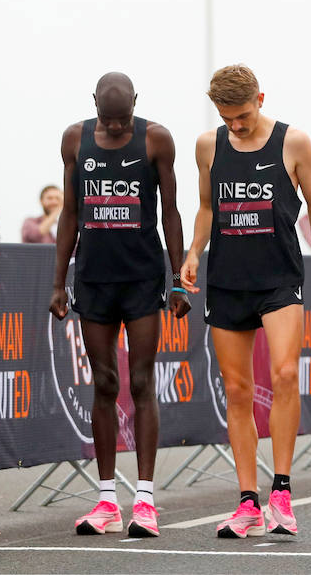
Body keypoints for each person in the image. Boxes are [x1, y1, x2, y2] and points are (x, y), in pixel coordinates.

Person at [179, 64, 311, 539]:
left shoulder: (293, 142)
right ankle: (248, 501)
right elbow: (206, 206)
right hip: (227, 280)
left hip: (280, 278)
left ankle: (281, 493)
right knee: (238, 391)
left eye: (242, 116)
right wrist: (192, 252)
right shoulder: (208, 145)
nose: (236, 126)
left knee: (285, 374)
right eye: (227, 119)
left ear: (261, 99)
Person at [50, 73, 186, 539]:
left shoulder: (157, 138)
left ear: (135, 105)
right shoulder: (75, 138)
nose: (113, 127)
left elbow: (170, 209)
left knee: (143, 381)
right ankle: (107, 499)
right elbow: (71, 212)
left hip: (142, 279)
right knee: (104, 383)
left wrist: (179, 278)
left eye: (122, 119)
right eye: (107, 120)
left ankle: (144, 500)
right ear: (94, 107)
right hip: (94, 279)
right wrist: (58, 282)